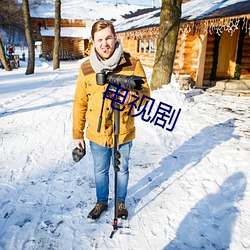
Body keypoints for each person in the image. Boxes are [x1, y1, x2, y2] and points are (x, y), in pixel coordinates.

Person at [72, 20, 150, 220]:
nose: (104, 43)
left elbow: (146, 96)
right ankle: (101, 202)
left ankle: (121, 202)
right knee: (100, 170)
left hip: (123, 130)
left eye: (108, 38)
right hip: (97, 133)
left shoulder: (132, 64)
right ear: (93, 42)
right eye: (99, 40)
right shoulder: (86, 68)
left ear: (115, 38)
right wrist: (77, 134)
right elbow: (80, 102)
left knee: (122, 168)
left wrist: (130, 98)